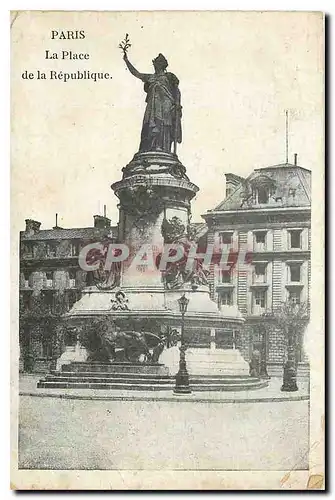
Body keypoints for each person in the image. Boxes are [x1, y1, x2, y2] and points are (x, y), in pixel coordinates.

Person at [123, 52, 182, 153]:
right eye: (155, 64)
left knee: (163, 125)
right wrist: (126, 61)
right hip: (153, 105)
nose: (155, 66)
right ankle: (151, 147)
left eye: (157, 64)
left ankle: (163, 148)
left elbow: (177, 92)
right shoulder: (151, 77)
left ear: (162, 65)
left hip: (166, 104)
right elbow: (137, 73)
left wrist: (177, 104)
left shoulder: (169, 77)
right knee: (151, 125)